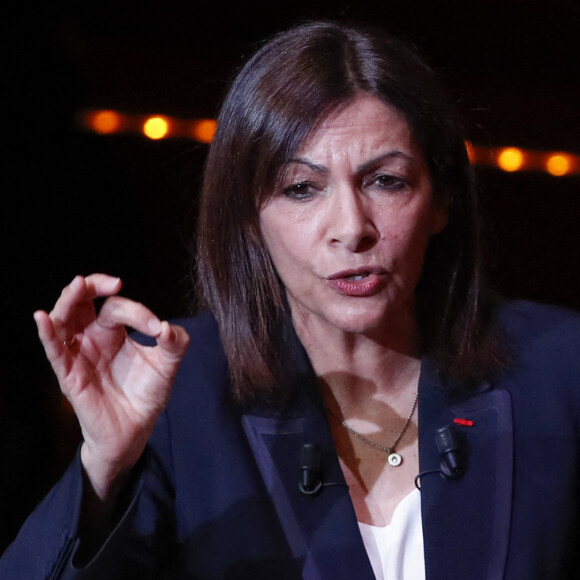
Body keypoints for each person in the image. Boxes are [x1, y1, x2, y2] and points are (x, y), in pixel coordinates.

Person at [2, 20, 580, 580]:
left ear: (441, 200)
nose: (351, 228)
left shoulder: (560, 368)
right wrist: (105, 466)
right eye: (302, 188)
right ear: (251, 219)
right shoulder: (179, 390)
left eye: (387, 181)